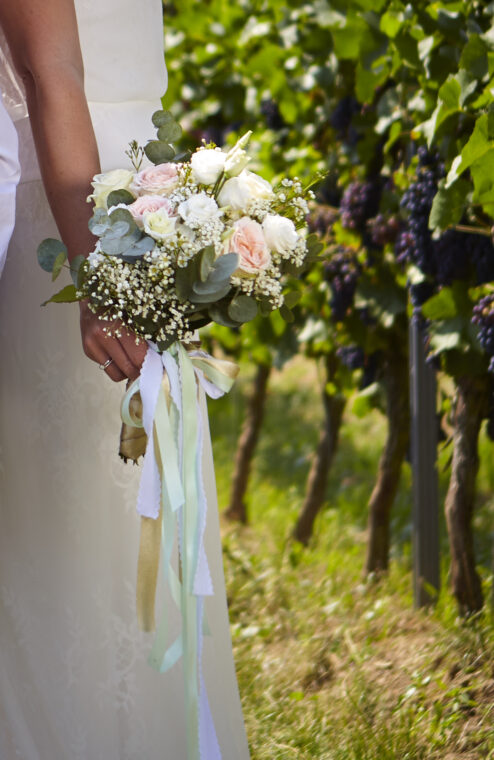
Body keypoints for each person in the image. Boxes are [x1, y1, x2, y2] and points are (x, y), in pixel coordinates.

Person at [0, 1, 250, 757]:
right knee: (69, 521)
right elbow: (52, 73)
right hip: (74, 213)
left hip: (143, 198)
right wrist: (99, 278)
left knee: (146, 499)